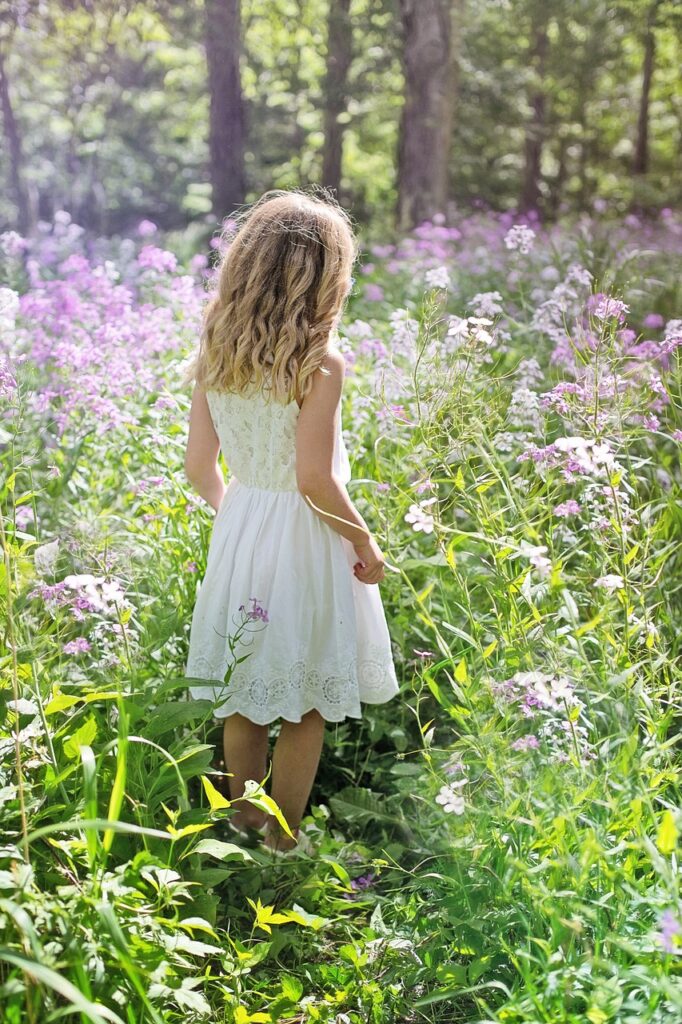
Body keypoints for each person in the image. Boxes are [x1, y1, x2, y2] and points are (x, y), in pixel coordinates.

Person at [181, 188, 399, 854]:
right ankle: (282, 840)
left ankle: (242, 827)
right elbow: (313, 479)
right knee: (304, 699)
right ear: (327, 277)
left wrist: (242, 521)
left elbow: (197, 467)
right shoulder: (320, 362)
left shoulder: (219, 344)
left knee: (243, 693)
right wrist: (363, 541)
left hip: (243, 525)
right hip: (308, 537)